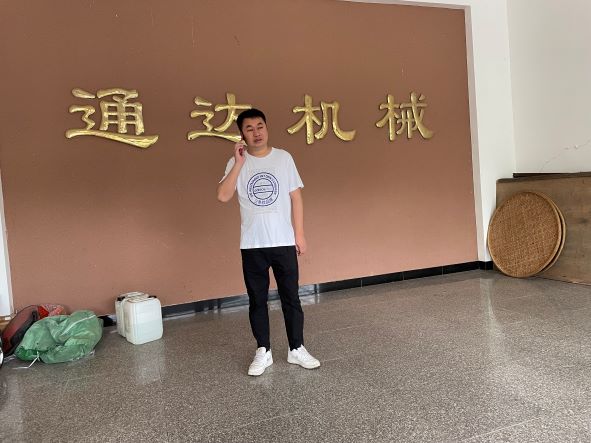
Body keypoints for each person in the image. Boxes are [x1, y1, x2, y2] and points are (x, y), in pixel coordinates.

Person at [217, 108, 320, 376]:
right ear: (242, 134)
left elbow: (296, 198)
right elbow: (223, 196)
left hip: (283, 241)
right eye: (249, 128)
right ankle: (263, 350)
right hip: (252, 244)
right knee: (257, 300)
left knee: (291, 298)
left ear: (267, 128)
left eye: (260, 126)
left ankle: (296, 348)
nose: (256, 132)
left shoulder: (283, 158)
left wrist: (299, 234)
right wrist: (238, 163)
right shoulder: (236, 162)